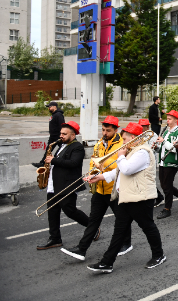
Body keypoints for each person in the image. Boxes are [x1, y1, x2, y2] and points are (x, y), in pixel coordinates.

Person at [86, 123, 165, 273]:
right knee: (119, 231)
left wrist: (120, 156)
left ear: (134, 138)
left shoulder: (142, 152)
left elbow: (127, 169)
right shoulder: (131, 151)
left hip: (140, 198)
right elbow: (118, 172)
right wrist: (99, 177)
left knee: (148, 227)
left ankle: (159, 255)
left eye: (124, 139)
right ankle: (107, 262)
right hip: (127, 197)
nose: (122, 142)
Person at [59, 117, 133, 259]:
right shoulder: (99, 143)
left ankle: (126, 243)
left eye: (108, 130)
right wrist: (92, 172)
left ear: (116, 130)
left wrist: (104, 166)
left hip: (114, 189)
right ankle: (81, 249)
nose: (104, 133)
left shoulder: (122, 144)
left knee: (121, 218)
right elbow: (94, 160)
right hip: (100, 188)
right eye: (103, 130)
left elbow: (122, 166)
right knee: (93, 220)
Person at [37, 121, 90, 251]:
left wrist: (53, 160)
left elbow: (73, 163)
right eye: (61, 133)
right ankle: (55, 238)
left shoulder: (77, 147)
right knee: (52, 212)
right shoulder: (61, 144)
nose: (61, 136)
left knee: (70, 211)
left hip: (67, 184)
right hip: (54, 184)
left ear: (73, 135)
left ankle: (92, 227)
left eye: (64, 134)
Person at [154, 110, 178, 219]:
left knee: (167, 186)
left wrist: (163, 141)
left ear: (176, 120)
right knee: (164, 185)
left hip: (172, 162)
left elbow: (174, 149)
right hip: (163, 161)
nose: (167, 120)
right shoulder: (166, 131)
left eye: (170, 118)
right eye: (167, 118)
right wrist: (156, 147)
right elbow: (163, 148)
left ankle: (167, 209)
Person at [33, 101, 65, 168]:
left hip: (58, 136)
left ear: (54, 107)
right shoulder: (54, 114)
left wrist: (61, 135)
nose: (49, 108)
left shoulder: (59, 115)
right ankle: (43, 163)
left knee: (63, 149)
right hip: (53, 136)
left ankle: (61, 161)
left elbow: (62, 126)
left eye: (50, 107)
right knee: (48, 150)